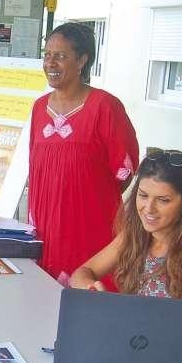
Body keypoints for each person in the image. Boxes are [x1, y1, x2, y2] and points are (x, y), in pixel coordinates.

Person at [28, 23, 139, 289]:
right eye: (47, 55)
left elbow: (125, 168)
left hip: (89, 226)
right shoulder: (39, 107)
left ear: (82, 60)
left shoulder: (104, 106)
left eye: (60, 56)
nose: (50, 63)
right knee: (43, 295)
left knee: (88, 297)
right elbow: (35, 164)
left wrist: (85, 196)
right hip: (44, 226)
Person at [70, 149, 182, 302]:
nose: (149, 208)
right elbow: (82, 272)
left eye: (163, 200)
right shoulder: (136, 234)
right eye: (143, 195)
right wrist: (89, 286)